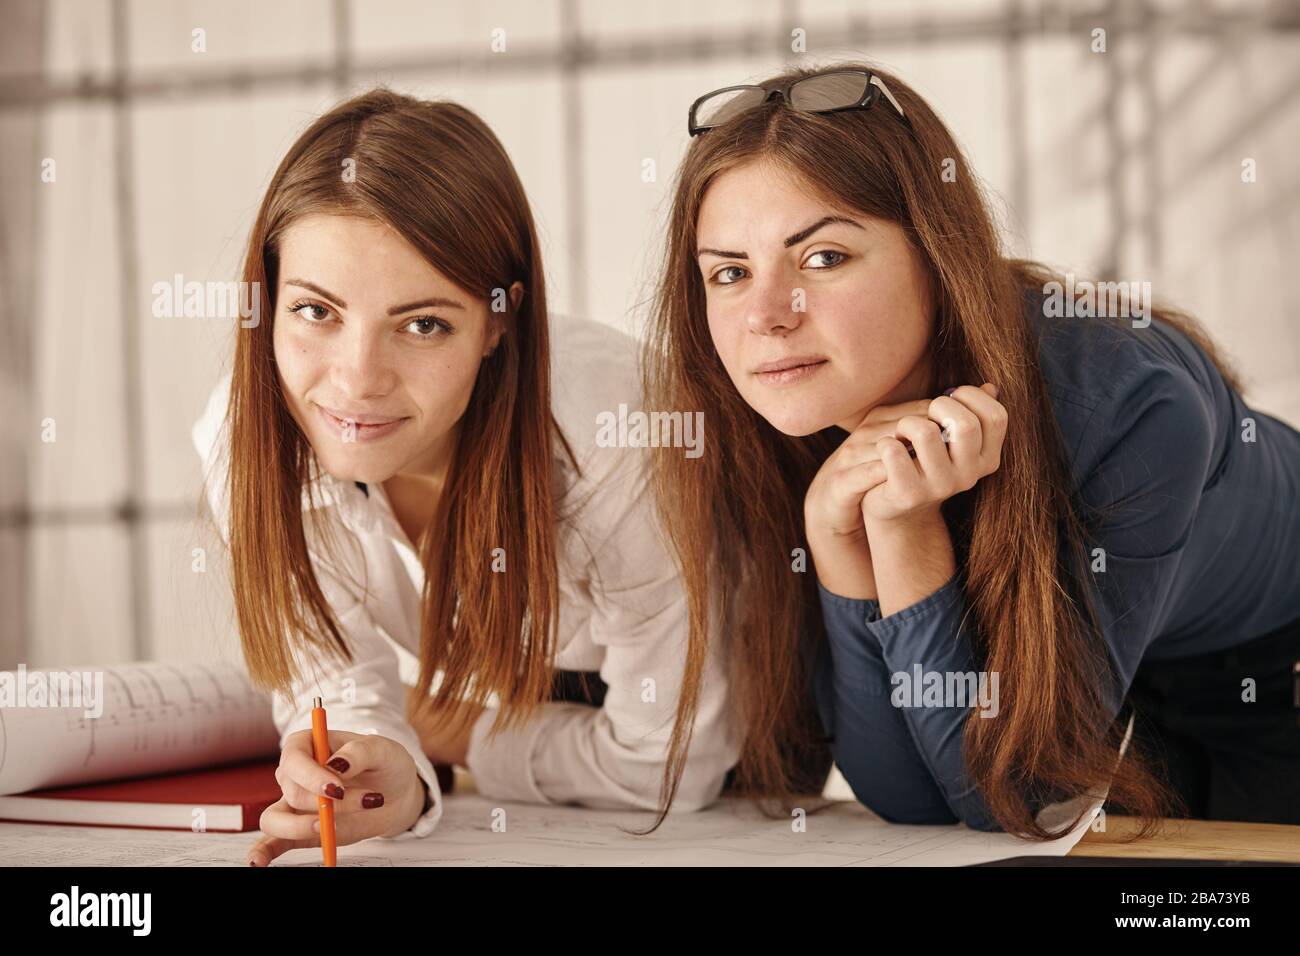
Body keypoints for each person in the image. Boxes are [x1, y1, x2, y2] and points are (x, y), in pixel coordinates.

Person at [644, 62, 1300, 838]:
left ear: (938, 253)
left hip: (1264, 695)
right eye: (729, 272)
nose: (765, 316)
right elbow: (908, 801)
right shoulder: (777, 413)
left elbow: (1019, 797)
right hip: (1098, 712)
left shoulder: (1133, 406)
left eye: (823, 258)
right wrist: (839, 537)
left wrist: (902, 528)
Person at [192, 89, 739, 866]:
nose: (357, 381)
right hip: (547, 730)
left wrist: (447, 728)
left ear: (498, 321)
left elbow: (673, 766)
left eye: (422, 324)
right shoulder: (240, 437)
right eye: (316, 312)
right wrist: (388, 768)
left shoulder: (620, 431)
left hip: (742, 726)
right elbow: (341, 696)